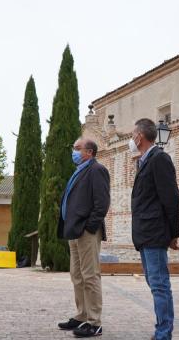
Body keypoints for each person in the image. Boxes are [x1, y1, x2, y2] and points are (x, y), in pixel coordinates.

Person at [130, 118, 179, 340]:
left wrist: (174, 233)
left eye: (133, 135)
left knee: (159, 285)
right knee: (155, 283)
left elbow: (171, 198)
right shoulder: (144, 160)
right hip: (146, 233)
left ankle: (163, 333)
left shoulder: (159, 159)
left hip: (155, 233)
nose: (131, 139)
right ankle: (162, 329)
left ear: (140, 136)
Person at [57, 138, 110, 338]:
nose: (74, 151)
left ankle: (94, 322)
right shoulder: (79, 170)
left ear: (89, 151)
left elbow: (102, 202)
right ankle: (81, 315)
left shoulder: (97, 170)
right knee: (77, 276)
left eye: (77, 148)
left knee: (90, 276)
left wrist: (90, 227)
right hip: (74, 231)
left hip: (86, 232)